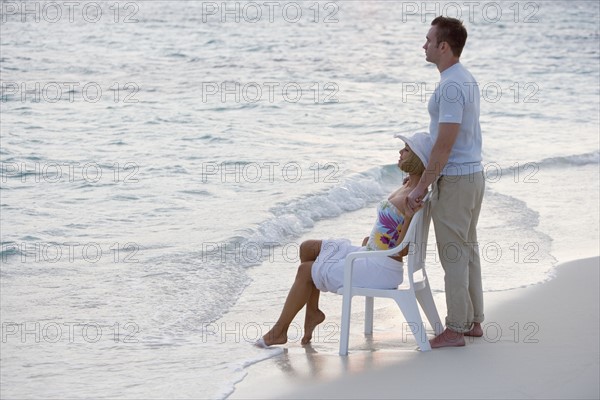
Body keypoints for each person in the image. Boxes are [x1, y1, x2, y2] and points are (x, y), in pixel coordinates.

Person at [256, 132, 434, 348]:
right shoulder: (408, 186)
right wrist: (373, 239)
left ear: (417, 158)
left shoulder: (414, 198)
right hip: (372, 253)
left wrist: (406, 218)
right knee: (308, 248)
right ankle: (312, 312)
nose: (400, 152)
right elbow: (389, 230)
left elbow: (402, 250)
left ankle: (279, 332)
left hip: (381, 267)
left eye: (406, 149)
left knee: (305, 271)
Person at [406, 16, 485, 348]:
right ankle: (473, 321)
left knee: (453, 253)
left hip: (456, 180)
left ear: (444, 46)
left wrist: (422, 186)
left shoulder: (452, 85)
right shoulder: (463, 78)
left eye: (428, 40)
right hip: (472, 176)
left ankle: (455, 328)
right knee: (467, 250)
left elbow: (445, 143)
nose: (423, 45)